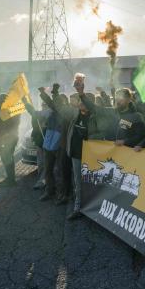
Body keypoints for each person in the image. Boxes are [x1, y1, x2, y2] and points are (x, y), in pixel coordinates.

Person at [80, 86, 145, 147]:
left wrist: (125, 142)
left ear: (129, 99)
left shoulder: (136, 117)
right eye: (116, 99)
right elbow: (94, 109)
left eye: (121, 99)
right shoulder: (111, 112)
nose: (118, 102)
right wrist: (81, 94)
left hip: (127, 153)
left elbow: (141, 136)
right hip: (110, 150)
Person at [65, 91, 93, 220]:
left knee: (92, 182)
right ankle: (78, 208)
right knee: (78, 182)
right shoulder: (75, 114)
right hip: (76, 154)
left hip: (91, 156)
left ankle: (93, 207)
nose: (79, 103)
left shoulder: (94, 117)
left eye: (82, 101)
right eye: (79, 101)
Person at [0, 94, 21, 187]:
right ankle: (10, 179)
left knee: (7, 159)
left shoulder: (2, 111)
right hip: (12, 138)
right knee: (8, 158)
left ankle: (11, 181)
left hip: (5, 139)